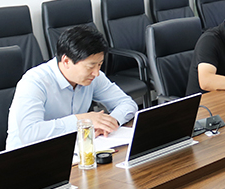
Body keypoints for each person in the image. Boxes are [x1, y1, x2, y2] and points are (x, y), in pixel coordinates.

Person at [7, 25, 137, 150]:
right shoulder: (34, 82)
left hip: (73, 149)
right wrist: (82, 120)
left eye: (100, 64)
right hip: (28, 156)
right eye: (91, 66)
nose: (96, 73)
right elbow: (30, 133)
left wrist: (109, 122)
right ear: (66, 61)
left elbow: (127, 103)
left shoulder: (94, 76)